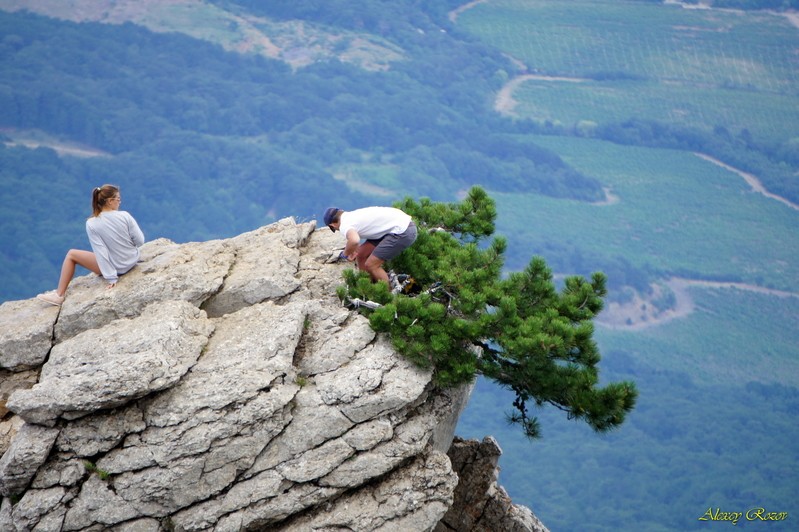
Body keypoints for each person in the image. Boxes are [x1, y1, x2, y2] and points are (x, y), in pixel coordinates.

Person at [36, 185, 145, 306]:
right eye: (118, 199)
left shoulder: (92, 223)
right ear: (110, 201)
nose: (120, 201)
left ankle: (59, 295)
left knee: (71, 254)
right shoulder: (125, 215)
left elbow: (101, 251)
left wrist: (111, 278)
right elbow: (140, 241)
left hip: (116, 268)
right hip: (132, 260)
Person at [323, 205, 417, 285]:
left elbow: (354, 240)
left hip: (402, 231)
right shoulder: (350, 215)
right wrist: (353, 250)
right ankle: (367, 286)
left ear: (333, 225)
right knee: (361, 255)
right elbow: (356, 242)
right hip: (398, 225)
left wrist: (346, 254)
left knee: (371, 265)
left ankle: (386, 297)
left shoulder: (344, 225)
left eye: (334, 229)